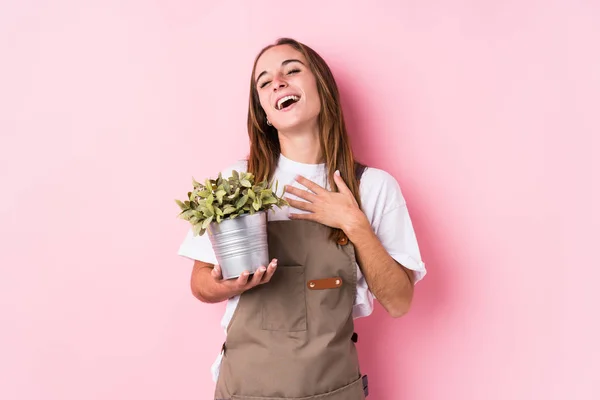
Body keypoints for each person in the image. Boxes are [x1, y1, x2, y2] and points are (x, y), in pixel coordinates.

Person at [178, 37, 426, 400]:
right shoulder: (239, 183)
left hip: (333, 389)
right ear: (264, 111)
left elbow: (400, 302)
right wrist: (228, 285)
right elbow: (200, 283)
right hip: (246, 389)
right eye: (264, 82)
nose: (277, 81)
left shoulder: (372, 188)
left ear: (322, 88)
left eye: (292, 70)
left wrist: (353, 224)